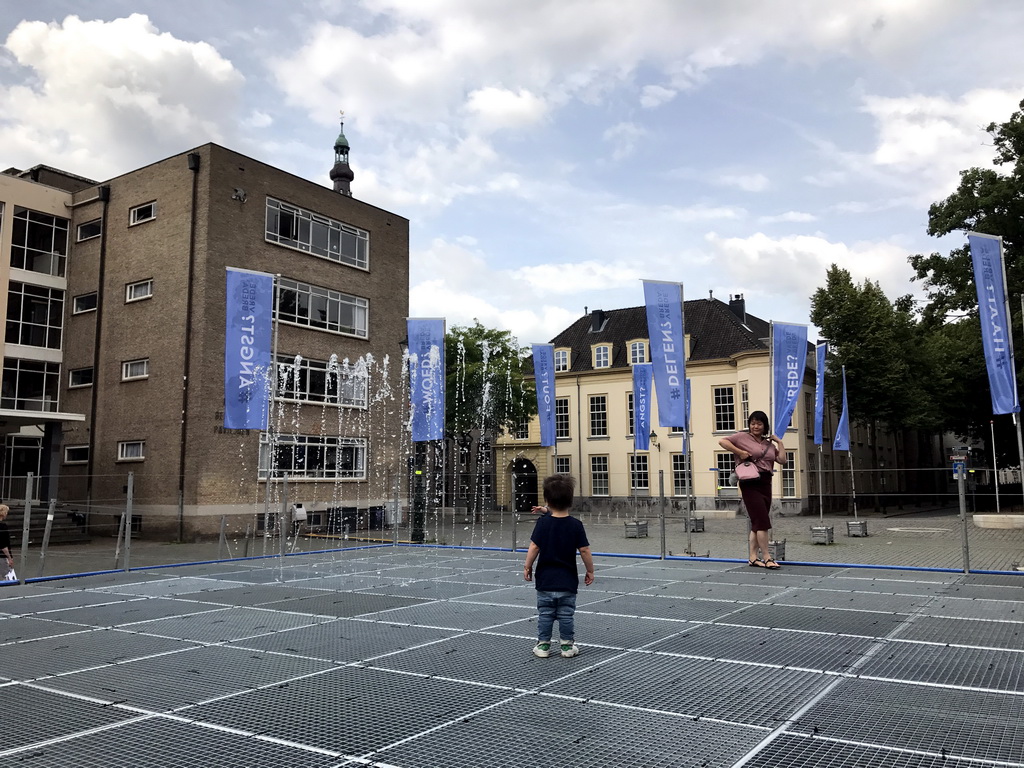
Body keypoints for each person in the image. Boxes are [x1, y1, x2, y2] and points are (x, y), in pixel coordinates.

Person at [523, 474, 595, 658]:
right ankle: (567, 647)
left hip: (545, 581)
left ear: (547, 500)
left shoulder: (543, 523)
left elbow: (534, 546)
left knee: (545, 614)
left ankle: (543, 646)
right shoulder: (575, 525)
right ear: (570, 500)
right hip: (567, 581)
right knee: (566, 615)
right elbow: (584, 550)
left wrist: (527, 566)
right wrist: (590, 570)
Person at [719, 410, 787, 569]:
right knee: (762, 521)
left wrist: (780, 443)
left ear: (765, 426)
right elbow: (722, 441)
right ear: (749, 425)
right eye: (753, 423)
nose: (756, 426)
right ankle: (767, 557)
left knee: (757, 522)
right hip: (750, 482)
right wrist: (740, 452)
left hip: (765, 482)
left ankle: (752, 558)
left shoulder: (768, 444)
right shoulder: (741, 437)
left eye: (759, 423)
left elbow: (782, 460)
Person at [0, 504, 13, 577]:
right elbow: (4, 544)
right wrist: (9, 557)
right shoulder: (3, 526)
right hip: (2, 556)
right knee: (8, 575)